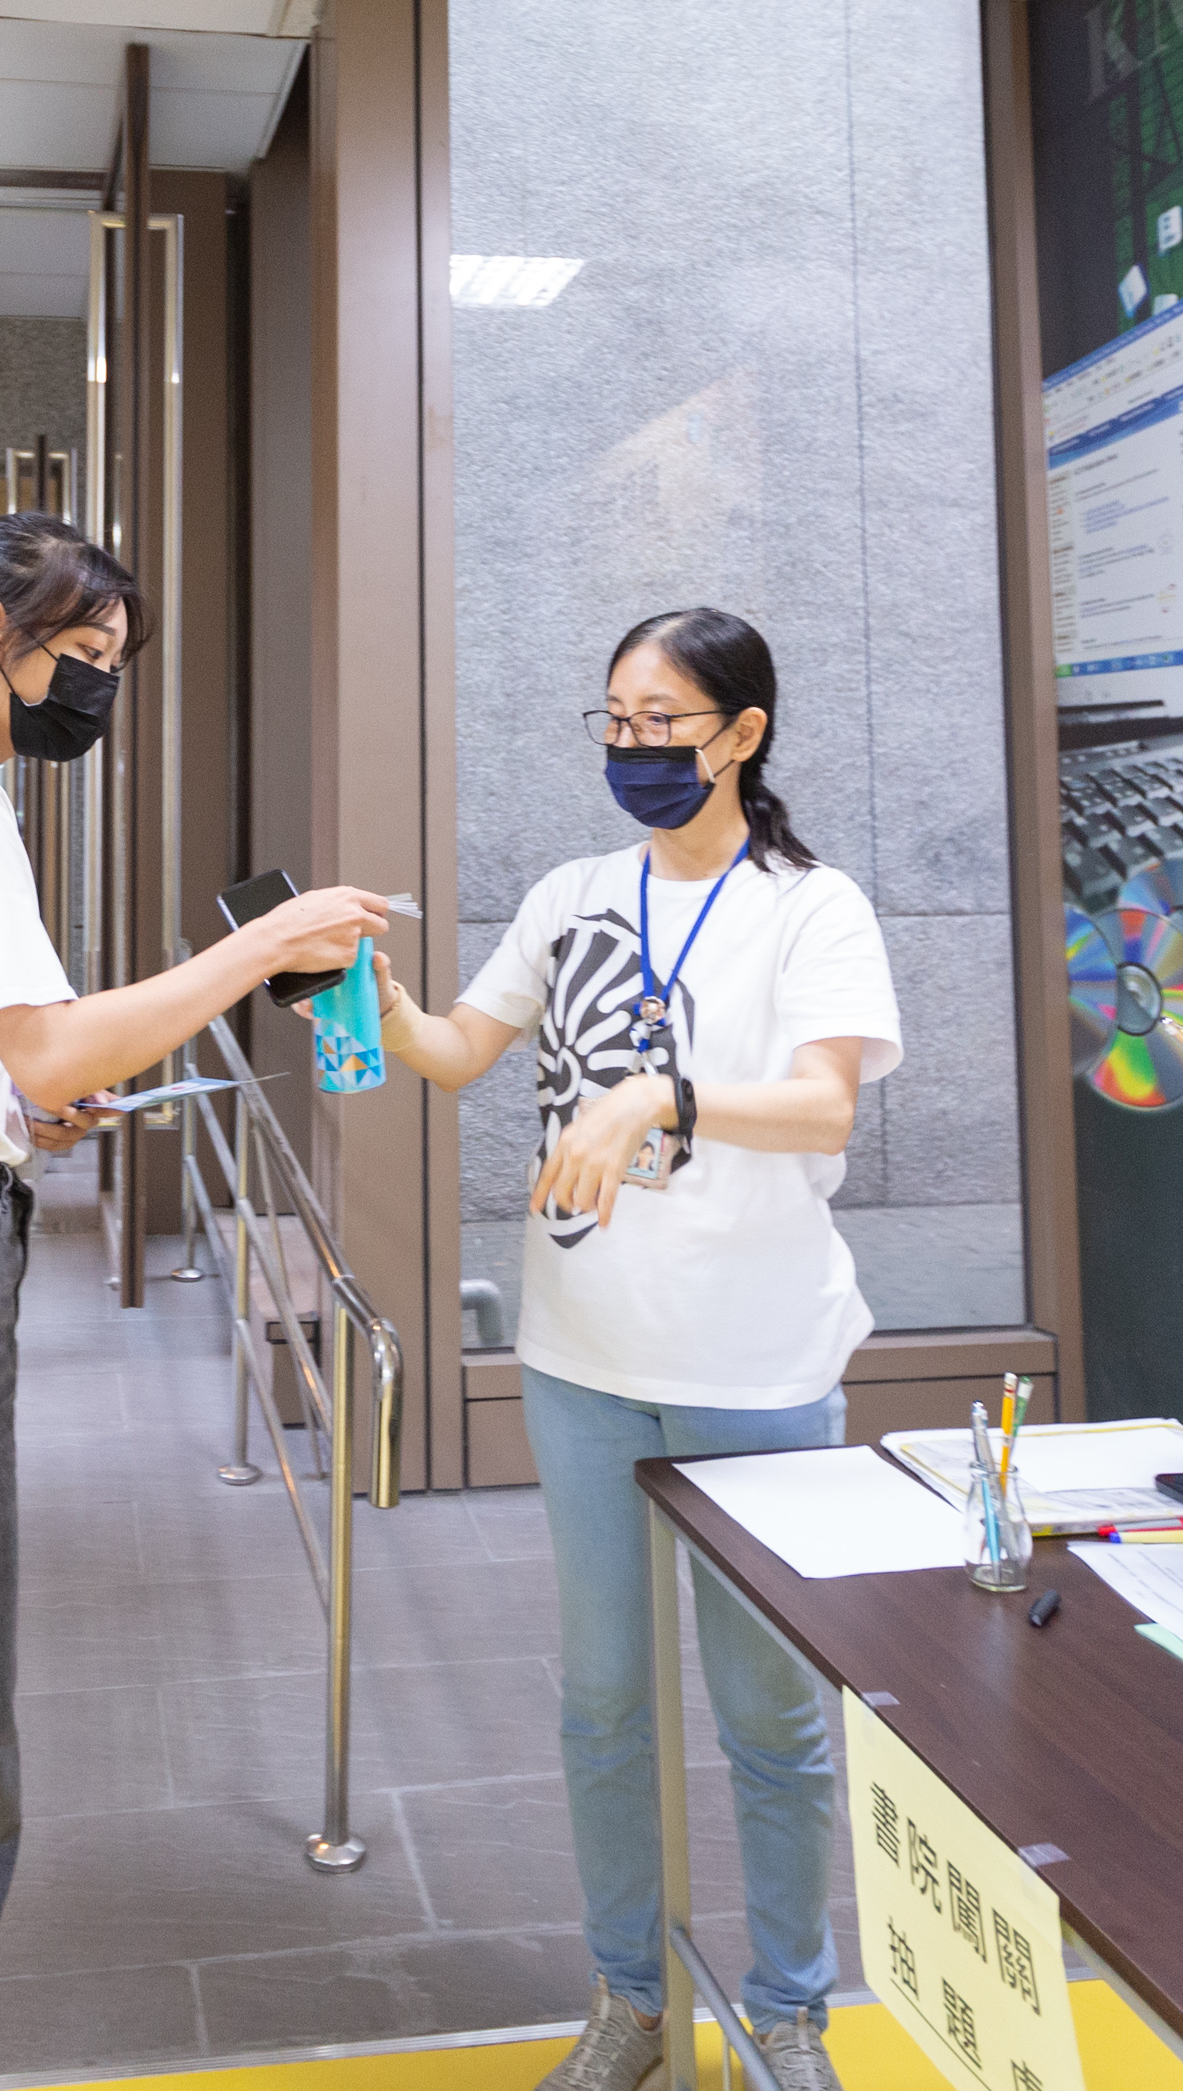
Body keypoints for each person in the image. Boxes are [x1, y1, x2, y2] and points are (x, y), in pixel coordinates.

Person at [0, 513, 382, 2091]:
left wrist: (9, 1105)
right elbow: (46, 1042)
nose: (94, 692)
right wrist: (258, 949)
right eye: (83, 656)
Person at [372, 606, 900, 2091]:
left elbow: (823, 1108)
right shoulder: (570, 893)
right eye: (612, 717)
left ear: (741, 735)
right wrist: (362, 989)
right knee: (602, 1699)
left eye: (662, 720)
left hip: (758, 1367)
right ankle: (627, 2002)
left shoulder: (813, 907)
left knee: (769, 1715)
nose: (633, 745)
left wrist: (657, 1098)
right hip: (583, 1354)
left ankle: (790, 2011)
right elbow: (456, 1053)